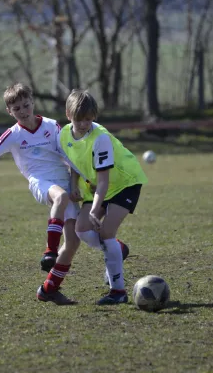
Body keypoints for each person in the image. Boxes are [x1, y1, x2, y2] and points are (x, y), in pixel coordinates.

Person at [0, 83, 80, 305]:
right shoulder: (13, 135)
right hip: (41, 182)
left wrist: (79, 178)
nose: (23, 111)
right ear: (10, 111)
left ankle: (48, 289)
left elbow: (68, 153)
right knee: (60, 198)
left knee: (74, 242)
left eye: (26, 105)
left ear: (32, 103)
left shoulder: (51, 126)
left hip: (64, 181)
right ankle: (50, 250)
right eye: (17, 108)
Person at [57, 89, 148, 305]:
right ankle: (119, 249)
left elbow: (105, 181)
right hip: (95, 186)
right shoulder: (63, 135)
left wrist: (96, 210)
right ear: (69, 114)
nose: (84, 124)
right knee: (82, 230)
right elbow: (74, 164)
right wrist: (73, 186)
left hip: (124, 183)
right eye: (79, 119)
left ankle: (118, 291)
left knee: (106, 232)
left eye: (89, 119)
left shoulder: (101, 139)